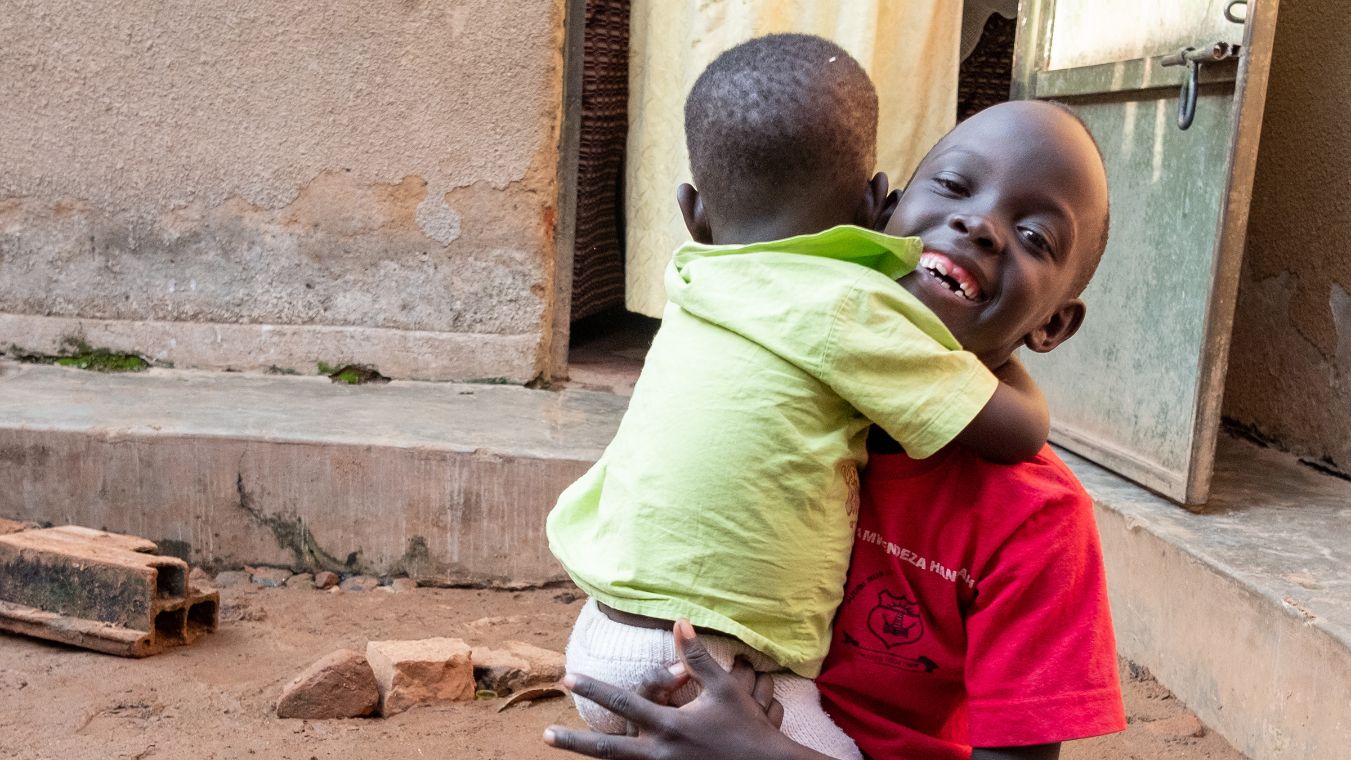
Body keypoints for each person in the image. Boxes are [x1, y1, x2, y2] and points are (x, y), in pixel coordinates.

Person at [544, 99, 1123, 759]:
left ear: (1051, 324)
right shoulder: (758, 393)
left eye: (1034, 237)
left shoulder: (1035, 518)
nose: (981, 224)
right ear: (881, 215)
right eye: (956, 187)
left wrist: (762, 753)